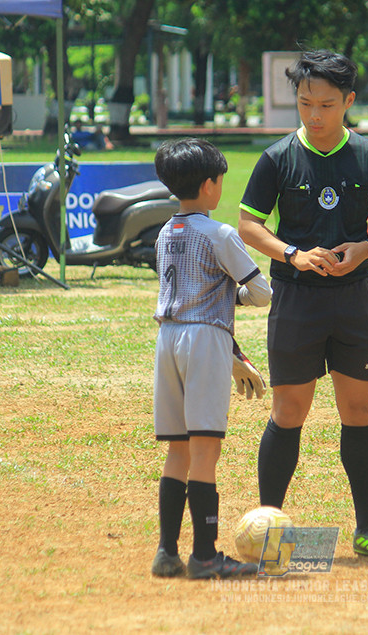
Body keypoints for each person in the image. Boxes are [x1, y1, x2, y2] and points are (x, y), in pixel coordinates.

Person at [238, 49, 368, 559]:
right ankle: (270, 530)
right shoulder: (277, 158)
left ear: (349, 101)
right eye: (305, 102)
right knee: (289, 411)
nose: (314, 114)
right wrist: (291, 253)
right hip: (296, 300)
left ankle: (367, 527)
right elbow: (249, 225)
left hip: (355, 300)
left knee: (358, 410)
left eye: (327, 104)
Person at [150, 138, 273, 580]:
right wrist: (233, 295)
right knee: (206, 451)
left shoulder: (166, 231)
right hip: (204, 340)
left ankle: (167, 552)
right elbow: (260, 292)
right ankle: (205, 555)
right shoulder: (220, 233)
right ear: (208, 186)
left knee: (178, 452)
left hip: (168, 338)